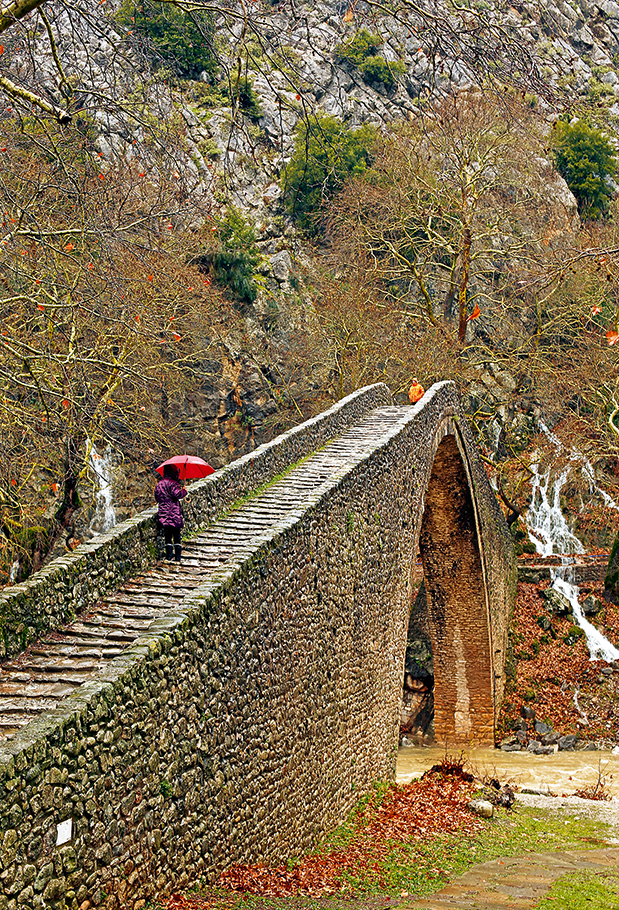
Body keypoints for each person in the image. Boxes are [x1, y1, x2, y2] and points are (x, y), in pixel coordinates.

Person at [155, 464, 188, 562]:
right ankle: (178, 557)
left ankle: (169, 556)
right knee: (177, 535)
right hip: (173, 512)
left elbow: (157, 497)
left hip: (163, 512)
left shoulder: (159, 484)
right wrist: (184, 491)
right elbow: (177, 494)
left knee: (168, 535)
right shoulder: (173, 483)